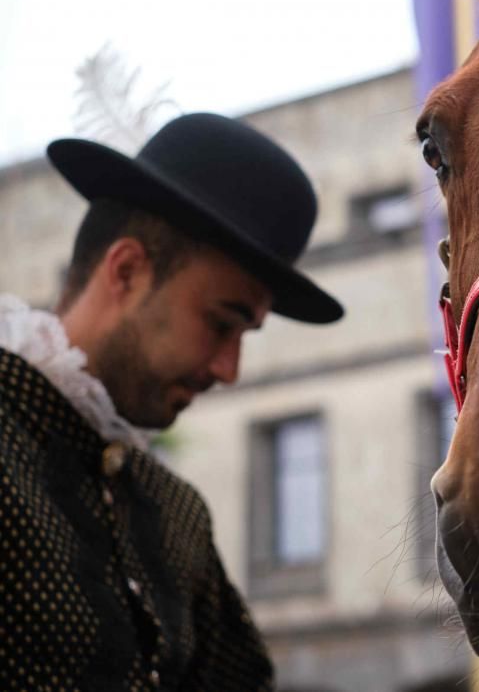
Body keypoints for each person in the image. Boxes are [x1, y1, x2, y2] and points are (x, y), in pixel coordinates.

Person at [0, 112, 343, 691]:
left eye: (244, 335)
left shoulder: (176, 515)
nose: (229, 370)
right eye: (219, 323)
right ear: (127, 271)